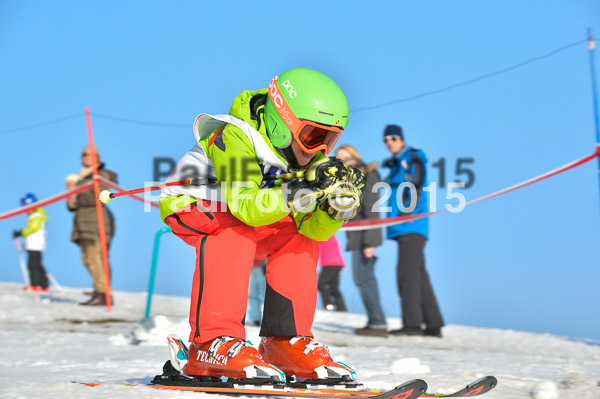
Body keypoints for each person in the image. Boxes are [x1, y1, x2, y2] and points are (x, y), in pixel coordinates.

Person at [159, 68, 364, 382]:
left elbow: (311, 230)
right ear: (282, 122)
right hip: (195, 203)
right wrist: (300, 191)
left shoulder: (301, 158)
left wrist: (334, 210)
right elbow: (245, 207)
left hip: (249, 212)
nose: (321, 150)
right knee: (233, 230)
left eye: (330, 139)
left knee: (297, 235)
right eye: (313, 136)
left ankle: (285, 340)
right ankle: (211, 342)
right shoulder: (234, 135)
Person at [382, 124, 444, 338]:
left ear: (401, 139)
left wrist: (407, 212)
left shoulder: (412, 157)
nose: (389, 142)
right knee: (419, 274)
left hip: (410, 224)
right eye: (386, 139)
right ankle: (434, 324)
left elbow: (417, 184)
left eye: (393, 138)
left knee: (406, 274)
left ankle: (413, 324)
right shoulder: (398, 162)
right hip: (406, 226)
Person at [335, 144, 387, 337]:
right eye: (340, 159)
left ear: (355, 158)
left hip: (365, 236)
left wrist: (371, 242)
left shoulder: (368, 176)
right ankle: (376, 321)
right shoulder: (349, 178)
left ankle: (377, 323)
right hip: (357, 236)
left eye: (347, 158)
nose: (345, 163)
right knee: (363, 278)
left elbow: (372, 208)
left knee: (363, 279)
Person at [67, 144, 117, 306]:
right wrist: (72, 198)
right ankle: (99, 288)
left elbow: (101, 194)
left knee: (96, 258)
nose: (86, 157)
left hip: (97, 221)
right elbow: (75, 202)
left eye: (90, 154)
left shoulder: (101, 174)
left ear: (97, 156)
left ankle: (103, 294)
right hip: (82, 222)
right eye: (84, 154)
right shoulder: (82, 177)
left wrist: (79, 194)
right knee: (87, 259)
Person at [13, 193, 50, 292]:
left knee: (33, 265)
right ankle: (44, 285)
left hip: (36, 244)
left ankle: (36, 284)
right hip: (33, 243)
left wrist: (21, 232)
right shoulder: (33, 214)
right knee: (37, 264)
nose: (26, 209)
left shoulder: (37, 215)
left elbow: (33, 228)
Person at [317, 235, 347, 311]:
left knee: (321, 284)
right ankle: (341, 308)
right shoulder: (330, 236)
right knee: (334, 287)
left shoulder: (325, 235)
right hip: (337, 263)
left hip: (330, 263)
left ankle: (328, 304)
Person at [247, 259, 266, 326]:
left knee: (266, 293)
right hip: (250, 266)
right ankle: (255, 319)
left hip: (264, 265)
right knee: (251, 294)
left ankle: (269, 318)